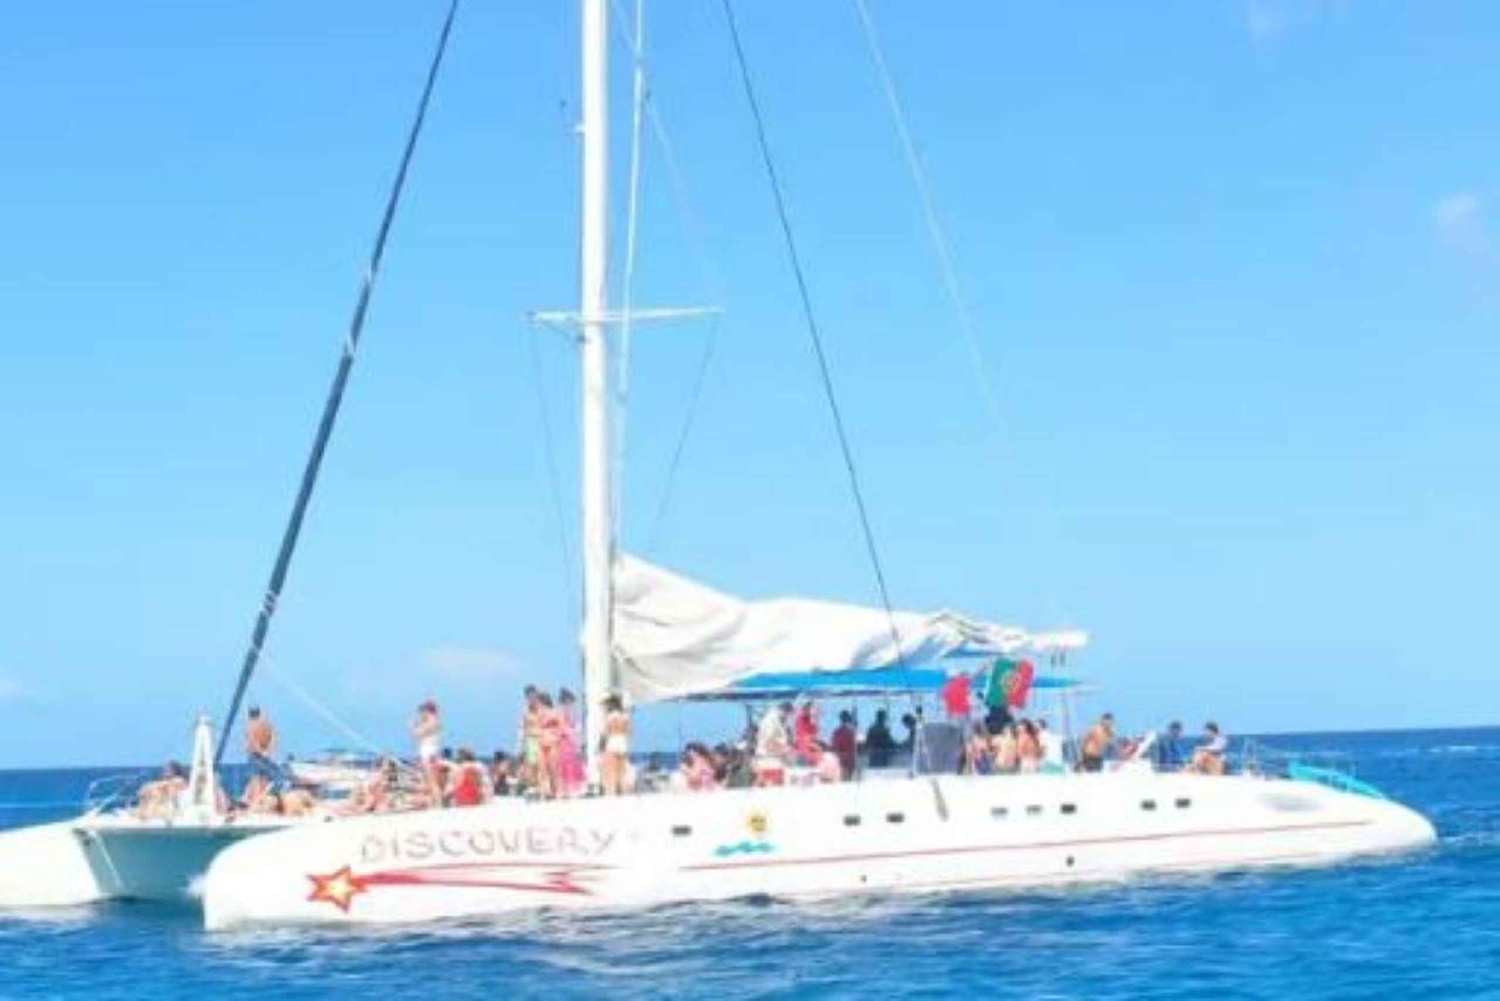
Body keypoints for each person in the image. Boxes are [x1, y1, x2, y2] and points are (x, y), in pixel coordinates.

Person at [555, 689, 586, 798]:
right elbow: (568, 727)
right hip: (567, 740)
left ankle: (565, 789)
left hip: (565, 740)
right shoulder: (565, 711)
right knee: (569, 763)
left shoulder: (561, 710)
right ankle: (569, 789)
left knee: (567, 764)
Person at [411, 699, 444, 802]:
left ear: (427, 711)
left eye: (422, 711)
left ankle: (438, 803)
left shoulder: (432, 721)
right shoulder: (434, 721)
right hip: (430, 750)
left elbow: (418, 734)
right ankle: (435, 802)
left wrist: (413, 727)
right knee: (430, 781)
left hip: (429, 751)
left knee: (431, 780)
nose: (420, 714)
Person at [754, 702, 793, 785]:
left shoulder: (779, 720)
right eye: (788, 714)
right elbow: (768, 742)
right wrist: (785, 750)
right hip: (768, 760)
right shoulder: (771, 720)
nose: (788, 717)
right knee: (771, 786)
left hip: (775, 759)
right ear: (783, 711)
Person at [600, 694, 631, 796]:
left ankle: (612, 791)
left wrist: (601, 746)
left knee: (611, 769)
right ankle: (623, 790)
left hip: (612, 740)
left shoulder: (609, 717)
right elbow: (629, 731)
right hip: (622, 741)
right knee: (622, 770)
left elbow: (606, 732)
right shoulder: (625, 717)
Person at [536, 692, 563, 798]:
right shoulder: (539, 712)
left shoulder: (555, 712)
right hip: (541, 741)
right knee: (542, 768)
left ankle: (556, 790)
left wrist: (557, 736)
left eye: (539, 701)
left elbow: (561, 726)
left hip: (552, 741)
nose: (537, 703)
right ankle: (546, 790)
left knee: (553, 768)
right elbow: (538, 726)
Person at [245, 706, 278, 781]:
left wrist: (262, 752)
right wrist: (268, 751)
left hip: (257, 756)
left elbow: (252, 741)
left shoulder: (251, 726)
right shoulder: (266, 724)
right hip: (262, 755)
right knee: (269, 773)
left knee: (260, 776)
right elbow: (274, 737)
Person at [831, 710, 858, 780]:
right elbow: (853, 748)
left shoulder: (836, 732)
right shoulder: (851, 732)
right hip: (848, 762)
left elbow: (834, 747)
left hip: (840, 762)